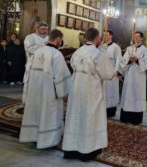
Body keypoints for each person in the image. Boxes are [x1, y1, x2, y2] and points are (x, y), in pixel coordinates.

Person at [63, 28, 116, 162]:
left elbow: (73, 66)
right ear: (96, 38)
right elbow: (108, 74)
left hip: (76, 90)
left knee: (76, 116)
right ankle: (87, 150)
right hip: (91, 91)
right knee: (90, 117)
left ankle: (71, 148)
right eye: (99, 37)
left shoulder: (77, 52)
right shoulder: (97, 54)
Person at [19, 29, 71, 149]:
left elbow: (28, 70)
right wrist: (63, 94)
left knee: (36, 113)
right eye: (61, 40)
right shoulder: (56, 54)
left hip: (35, 90)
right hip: (49, 93)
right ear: (58, 39)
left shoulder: (37, 52)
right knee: (48, 115)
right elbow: (61, 77)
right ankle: (48, 141)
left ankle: (34, 137)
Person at [119, 31, 147, 125]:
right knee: (128, 93)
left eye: (138, 36)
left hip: (139, 76)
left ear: (141, 38)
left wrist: (137, 60)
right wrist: (129, 60)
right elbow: (123, 61)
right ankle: (125, 117)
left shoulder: (145, 50)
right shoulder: (129, 48)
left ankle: (135, 119)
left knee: (137, 94)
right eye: (135, 36)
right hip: (129, 75)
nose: (136, 38)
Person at [101, 30, 123, 118]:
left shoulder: (116, 47)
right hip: (103, 73)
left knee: (111, 91)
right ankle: (102, 110)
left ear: (111, 36)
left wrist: (117, 71)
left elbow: (119, 60)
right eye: (104, 35)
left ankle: (111, 111)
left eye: (107, 35)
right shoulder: (101, 46)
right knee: (103, 91)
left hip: (112, 74)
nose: (105, 36)